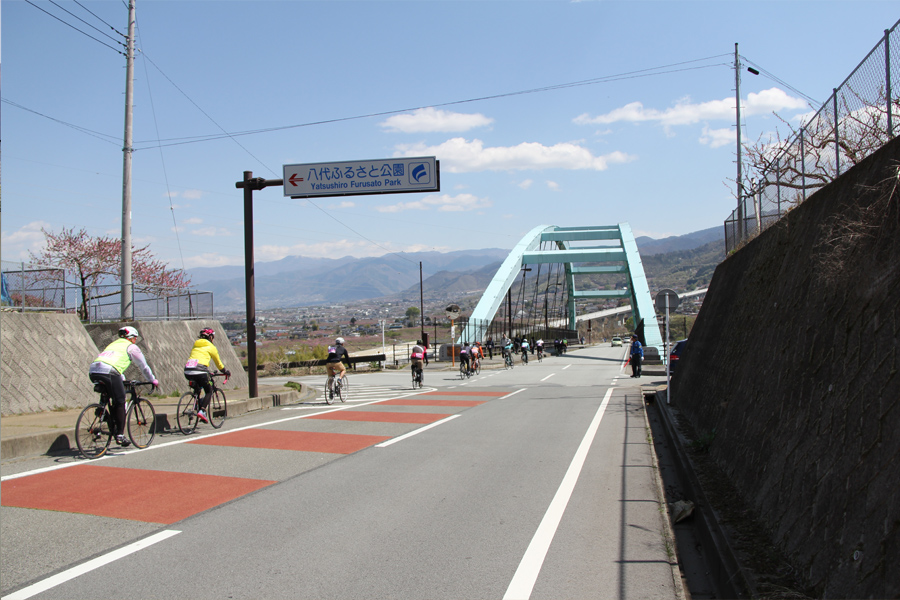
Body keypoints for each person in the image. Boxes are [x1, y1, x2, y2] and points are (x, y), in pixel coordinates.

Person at [89, 326, 159, 447]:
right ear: (132, 338)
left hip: (94, 370)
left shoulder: (113, 344)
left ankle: (102, 412)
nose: (135, 341)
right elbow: (143, 366)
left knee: (110, 396)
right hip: (109, 372)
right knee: (120, 401)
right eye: (135, 338)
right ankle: (120, 435)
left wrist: (122, 379)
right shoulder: (131, 347)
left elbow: (113, 362)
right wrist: (152, 380)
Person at [184, 328, 231, 424]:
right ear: (210, 337)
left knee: (198, 389)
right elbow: (218, 364)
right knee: (209, 390)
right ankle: (202, 411)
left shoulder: (196, 344)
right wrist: (225, 371)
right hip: (200, 371)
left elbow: (198, 359)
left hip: (188, 371)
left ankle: (196, 405)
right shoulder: (211, 347)